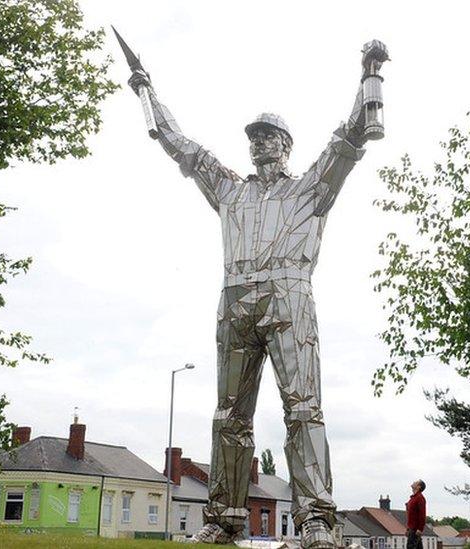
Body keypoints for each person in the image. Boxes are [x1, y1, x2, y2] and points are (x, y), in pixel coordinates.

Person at [126, 40, 389, 549]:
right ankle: (224, 520)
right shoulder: (229, 189)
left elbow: (349, 140)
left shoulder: (308, 189)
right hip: (236, 300)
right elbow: (178, 144)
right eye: (256, 137)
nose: (261, 143)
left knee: (303, 409)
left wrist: (369, 76)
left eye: (270, 136)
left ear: (286, 144)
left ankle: (316, 518)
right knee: (229, 416)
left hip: (289, 300)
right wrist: (147, 92)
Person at [406, 480, 427, 549]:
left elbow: (422, 514)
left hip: (415, 529)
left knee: (411, 547)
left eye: (416, 482)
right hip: (411, 528)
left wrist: (420, 529)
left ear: (419, 487)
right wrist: (408, 529)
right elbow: (410, 515)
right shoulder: (413, 498)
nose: (413, 482)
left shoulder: (420, 498)